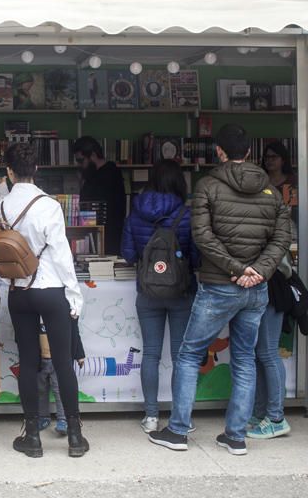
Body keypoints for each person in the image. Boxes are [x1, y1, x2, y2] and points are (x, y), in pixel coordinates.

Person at [149, 124, 291, 456]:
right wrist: (259, 271)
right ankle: (236, 436)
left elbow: (203, 237)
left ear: (220, 153)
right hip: (256, 289)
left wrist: (238, 270)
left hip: (218, 287)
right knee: (244, 359)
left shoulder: (208, 186)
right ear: (250, 153)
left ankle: (179, 431)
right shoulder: (270, 190)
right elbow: (281, 238)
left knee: (188, 355)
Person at [0, 142, 88, 458]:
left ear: (8, 171)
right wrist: (74, 295)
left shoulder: (1, 206)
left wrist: (1, 191)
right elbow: (62, 254)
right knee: (62, 362)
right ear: (36, 169)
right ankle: (75, 437)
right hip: (51, 291)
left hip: (18, 293)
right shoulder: (49, 205)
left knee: (30, 362)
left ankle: (32, 436)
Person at [121, 159, 199, 434]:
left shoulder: (136, 212)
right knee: (182, 356)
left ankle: (151, 416)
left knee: (151, 354)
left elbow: (129, 254)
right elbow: (197, 256)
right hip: (181, 291)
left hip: (148, 292)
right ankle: (182, 417)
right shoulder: (187, 215)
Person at [246, 141, 297, 440]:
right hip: (264, 283)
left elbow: (281, 257)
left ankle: (276, 416)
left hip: (272, 284)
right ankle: (261, 412)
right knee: (257, 353)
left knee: (266, 352)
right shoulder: (269, 210)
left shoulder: (273, 213)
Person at [73, 136, 126, 256]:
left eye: (81, 161)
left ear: (93, 155)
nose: (79, 165)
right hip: (93, 235)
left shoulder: (110, 175)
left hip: (109, 237)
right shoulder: (92, 175)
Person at [37, 319, 85, 435]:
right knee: (40, 390)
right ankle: (43, 417)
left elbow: (74, 332)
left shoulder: (62, 312)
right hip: (39, 360)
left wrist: (80, 354)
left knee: (59, 390)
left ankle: (63, 419)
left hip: (58, 360)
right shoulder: (34, 314)